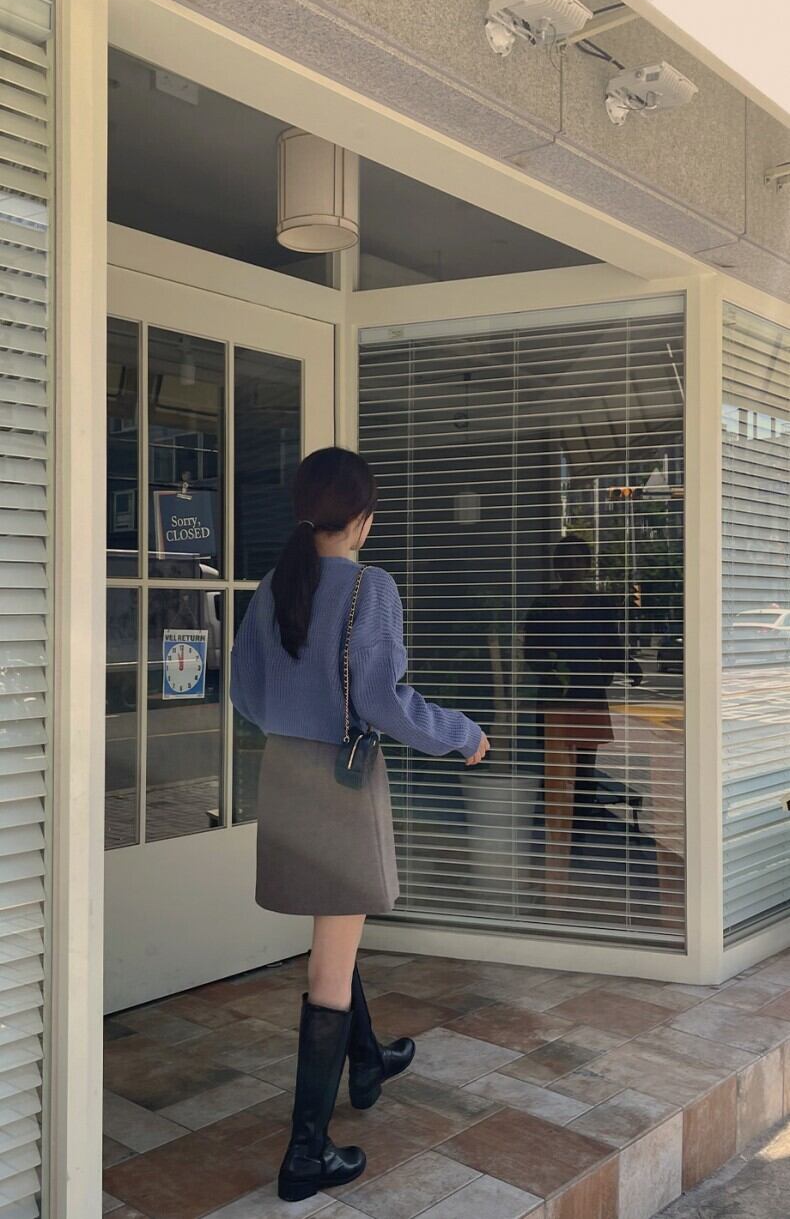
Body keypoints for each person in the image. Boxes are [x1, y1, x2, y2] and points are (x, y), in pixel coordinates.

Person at [230, 446, 489, 1204]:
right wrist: (460, 733)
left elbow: (243, 692)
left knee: (336, 934)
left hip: (285, 773)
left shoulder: (272, 585)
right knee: (331, 962)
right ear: (363, 519)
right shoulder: (369, 587)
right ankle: (305, 1153)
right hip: (342, 781)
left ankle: (368, 1059)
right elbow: (381, 699)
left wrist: (294, 719)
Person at [521, 534, 641, 911]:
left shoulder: (601, 604)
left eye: (578, 560)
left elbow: (610, 645)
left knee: (585, 774)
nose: (571, 567)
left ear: (587, 565)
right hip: (556, 699)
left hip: (589, 696)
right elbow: (532, 652)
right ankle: (551, 847)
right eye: (565, 560)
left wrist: (628, 665)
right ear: (556, 566)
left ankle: (575, 847)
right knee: (555, 774)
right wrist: (554, 671)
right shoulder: (543, 606)